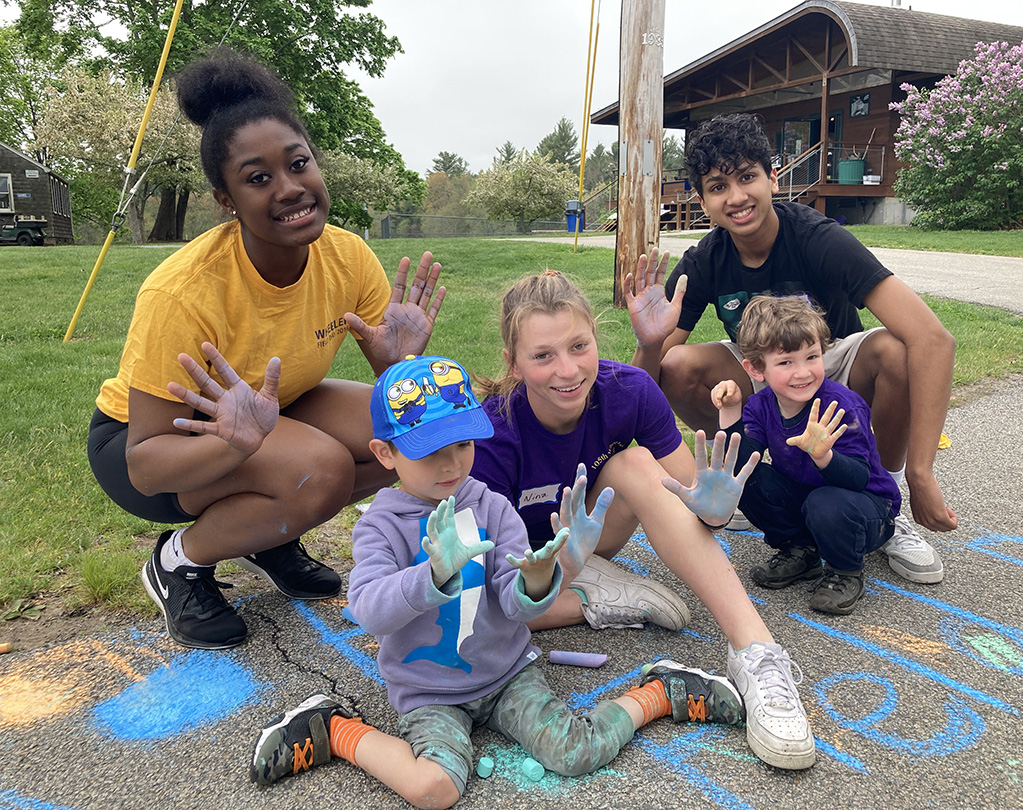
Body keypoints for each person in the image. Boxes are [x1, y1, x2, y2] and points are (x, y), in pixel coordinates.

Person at [248, 354, 745, 808]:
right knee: (433, 789)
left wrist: (543, 576)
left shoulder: (489, 505)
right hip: (429, 692)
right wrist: (433, 575)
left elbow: (517, 609)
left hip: (508, 673)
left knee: (575, 752)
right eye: (429, 451)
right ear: (384, 453)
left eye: (463, 444)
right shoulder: (381, 525)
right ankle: (331, 729)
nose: (451, 464)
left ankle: (661, 692)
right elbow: (369, 610)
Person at [86, 48, 445, 651]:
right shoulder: (183, 291)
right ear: (228, 202)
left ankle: (272, 530)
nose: (289, 188)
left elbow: (398, 395)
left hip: (269, 416)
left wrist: (400, 359)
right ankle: (178, 563)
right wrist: (232, 444)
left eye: (298, 163)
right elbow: (144, 465)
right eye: (258, 178)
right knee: (322, 472)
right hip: (154, 444)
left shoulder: (347, 255)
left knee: (408, 430)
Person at [470, 270, 816, 770]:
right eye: (542, 355)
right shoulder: (493, 433)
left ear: (596, 337)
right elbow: (483, 582)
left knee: (633, 464)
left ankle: (758, 654)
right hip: (518, 575)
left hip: (589, 540)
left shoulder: (628, 389)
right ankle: (595, 595)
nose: (567, 370)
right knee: (474, 615)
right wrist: (556, 583)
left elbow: (684, 493)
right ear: (514, 363)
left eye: (578, 346)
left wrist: (714, 511)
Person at [625, 112, 955, 585]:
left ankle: (886, 496)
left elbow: (933, 339)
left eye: (747, 177)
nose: (736, 197)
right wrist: (649, 343)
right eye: (718, 186)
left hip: (832, 360)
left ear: (772, 177)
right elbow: (646, 381)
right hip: (762, 373)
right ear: (702, 200)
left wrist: (922, 472)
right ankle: (743, 476)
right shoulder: (704, 261)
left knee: (897, 352)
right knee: (676, 363)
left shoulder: (820, 238)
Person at [713, 296, 901, 615]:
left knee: (825, 502)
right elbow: (743, 465)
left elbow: (859, 477)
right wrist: (731, 411)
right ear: (756, 369)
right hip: (813, 500)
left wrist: (825, 456)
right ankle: (802, 551)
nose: (803, 372)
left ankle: (845, 570)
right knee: (749, 481)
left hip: (868, 509)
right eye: (786, 362)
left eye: (811, 357)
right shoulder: (760, 407)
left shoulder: (842, 406)